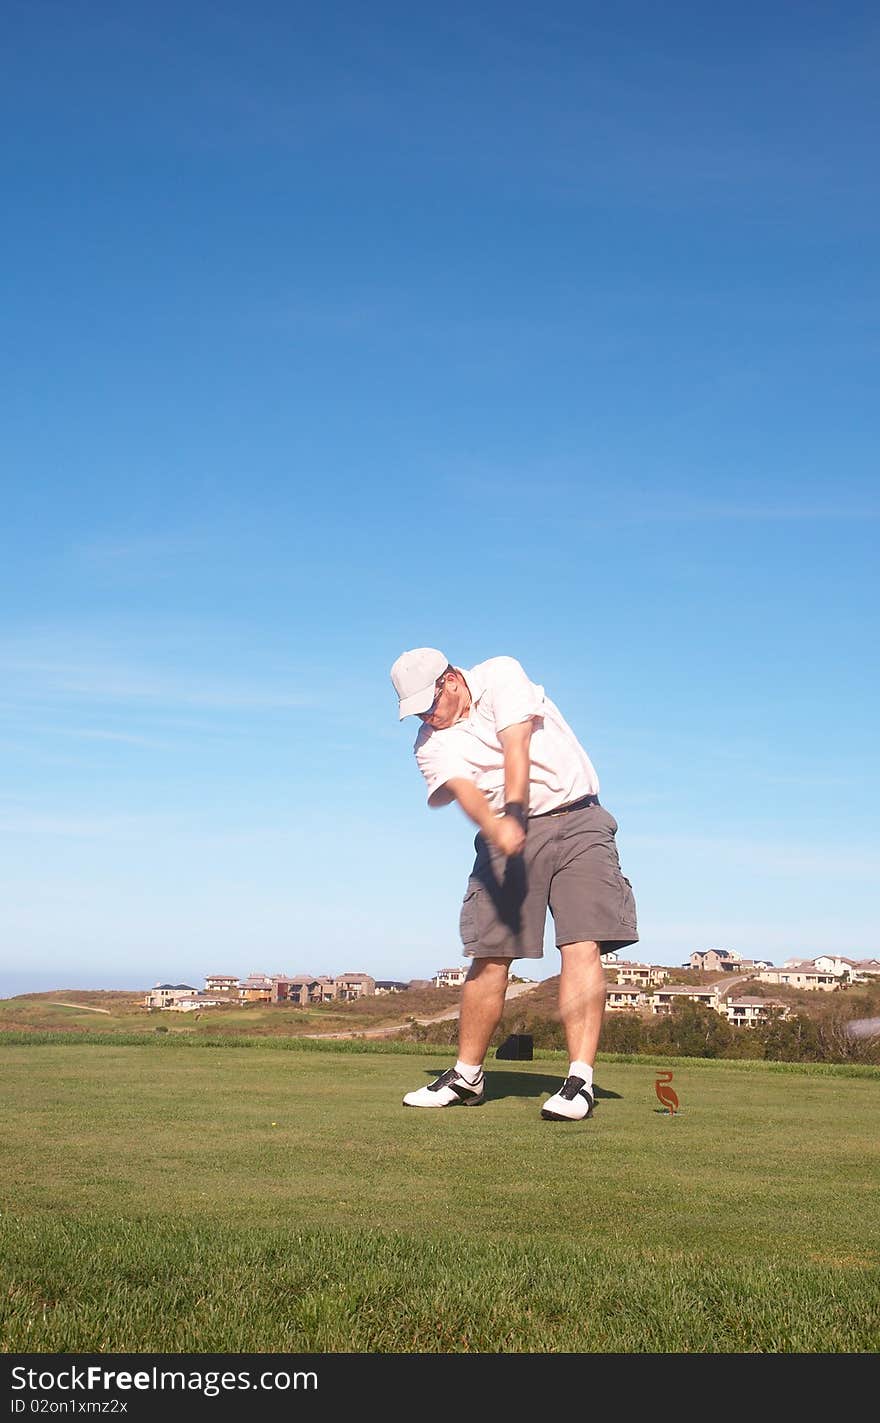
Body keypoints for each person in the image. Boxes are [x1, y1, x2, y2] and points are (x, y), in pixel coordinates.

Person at [389, 647, 638, 1122]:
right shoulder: (428, 742)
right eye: (417, 710)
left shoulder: (501, 673)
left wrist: (518, 811)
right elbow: (462, 790)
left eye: (429, 704)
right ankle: (468, 1077)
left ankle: (578, 1082)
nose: (426, 716)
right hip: (504, 831)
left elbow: (515, 743)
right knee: (490, 951)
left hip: (577, 817)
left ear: (451, 680)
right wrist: (499, 823)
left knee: (580, 942)